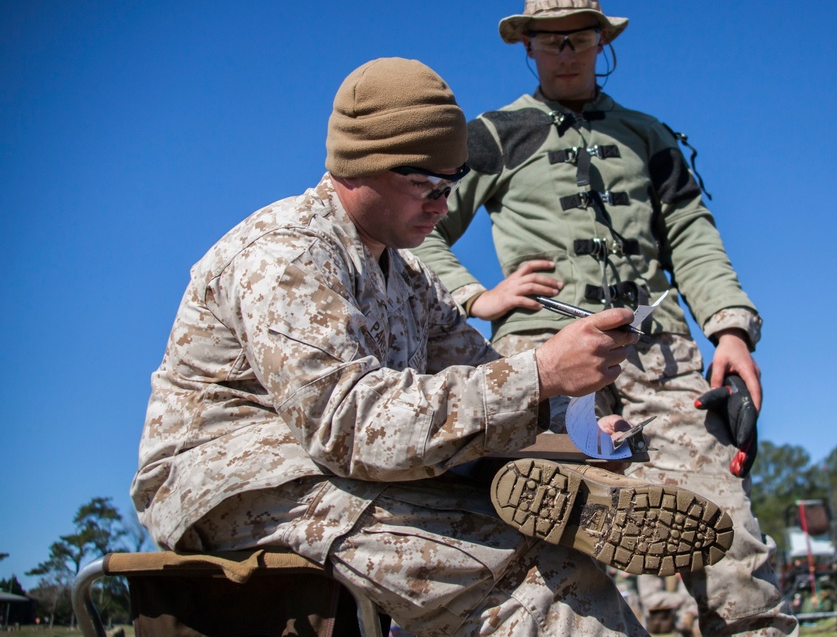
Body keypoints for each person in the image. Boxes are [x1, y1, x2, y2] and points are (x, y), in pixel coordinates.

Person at [131, 57, 736, 637]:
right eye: (422, 182)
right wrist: (543, 372)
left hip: (336, 473)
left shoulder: (407, 276)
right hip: (245, 486)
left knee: (551, 556)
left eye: (452, 183)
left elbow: (478, 370)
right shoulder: (285, 254)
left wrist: (582, 426)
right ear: (357, 166)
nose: (443, 204)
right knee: (520, 582)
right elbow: (349, 425)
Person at [414, 0, 799, 636]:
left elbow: (693, 235)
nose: (566, 51)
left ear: (603, 42)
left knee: (723, 523)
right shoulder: (494, 135)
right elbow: (420, 228)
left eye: (580, 38)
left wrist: (731, 330)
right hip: (542, 356)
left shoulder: (648, 136)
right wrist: (477, 296)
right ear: (527, 48)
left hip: (659, 353)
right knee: (541, 530)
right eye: (549, 40)